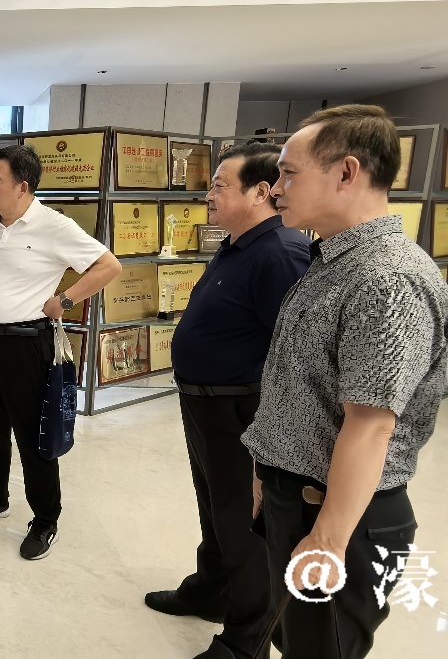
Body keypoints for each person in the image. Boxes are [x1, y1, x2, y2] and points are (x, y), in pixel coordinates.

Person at [242, 105, 448, 658]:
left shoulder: (387, 280)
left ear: (346, 172)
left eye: (289, 173)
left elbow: (371, 425)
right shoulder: (334, 261)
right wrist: (270, 470)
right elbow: (302, 387)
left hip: (339, 514)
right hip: (300, 495)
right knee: (295, 640)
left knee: (320, 649)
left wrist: (328, 538)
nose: (275, 188)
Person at [143, 143, 311, 659]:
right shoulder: (238, 244)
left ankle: (246, 639)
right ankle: (211, 589)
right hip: (206, 406)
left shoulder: (280, 253)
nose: (208, 195)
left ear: (260, 192)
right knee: (215, 508)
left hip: (243, 409)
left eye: (219, 185)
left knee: (244, 523)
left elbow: (293, 356)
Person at [0, 145, 122, 560]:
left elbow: (108, 266)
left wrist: (64, 300)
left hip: (26, 344)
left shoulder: (54, 226)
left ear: (23, 187)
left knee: (33, 436)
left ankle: (46, 519)